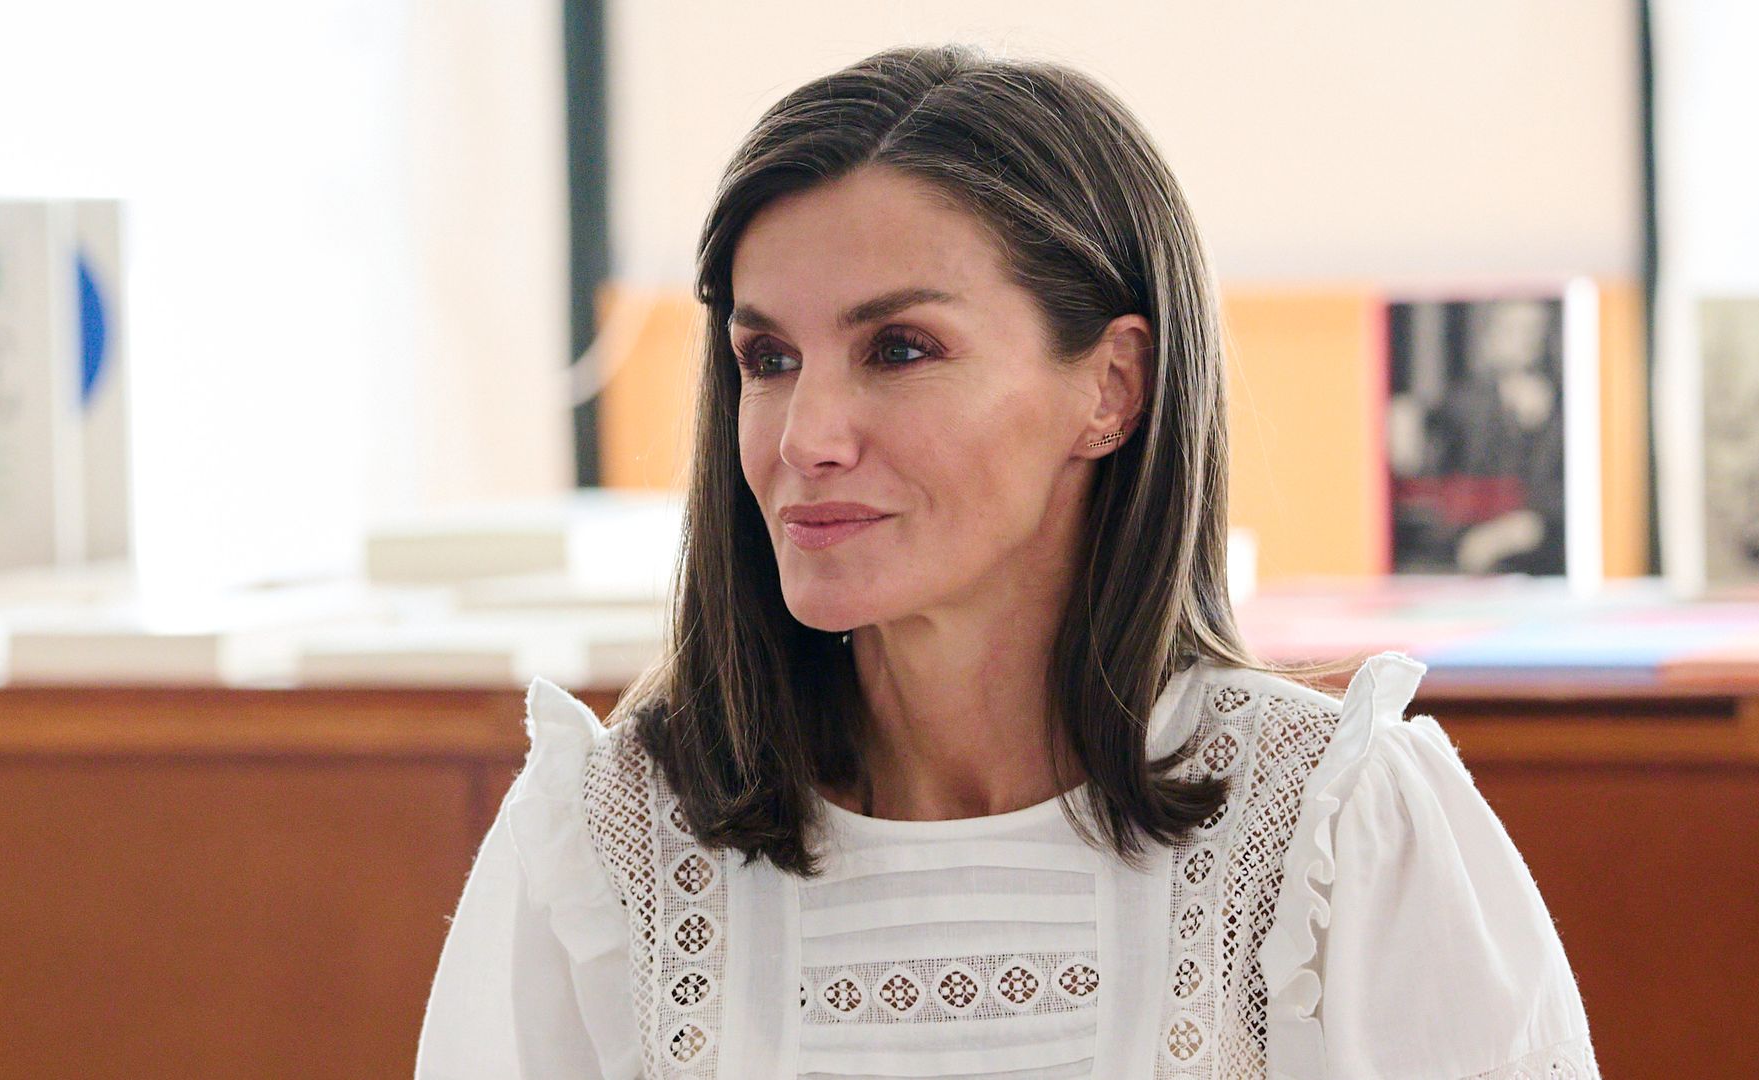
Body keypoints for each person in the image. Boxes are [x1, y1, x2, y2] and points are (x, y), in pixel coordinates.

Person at [414, 43, 1599, 1079]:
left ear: (1112, 387)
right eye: (767, 358)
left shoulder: (1332, 829)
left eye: (900, 348)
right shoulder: (603, 842)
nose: (804, 439)